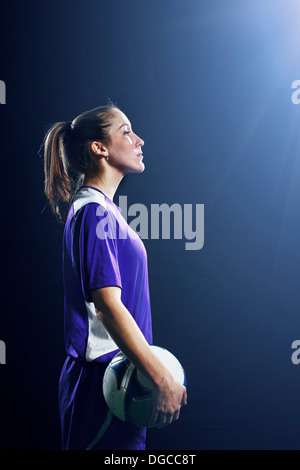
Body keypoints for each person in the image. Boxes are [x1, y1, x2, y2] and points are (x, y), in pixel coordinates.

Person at [43, 103, 187, 450]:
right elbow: (107, 306)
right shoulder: (93, 212)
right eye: (126, 131)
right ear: (99, 148)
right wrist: (159, 376)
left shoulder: (105, 211)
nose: (139, 140)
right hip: (102, 384)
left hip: (123, 380)